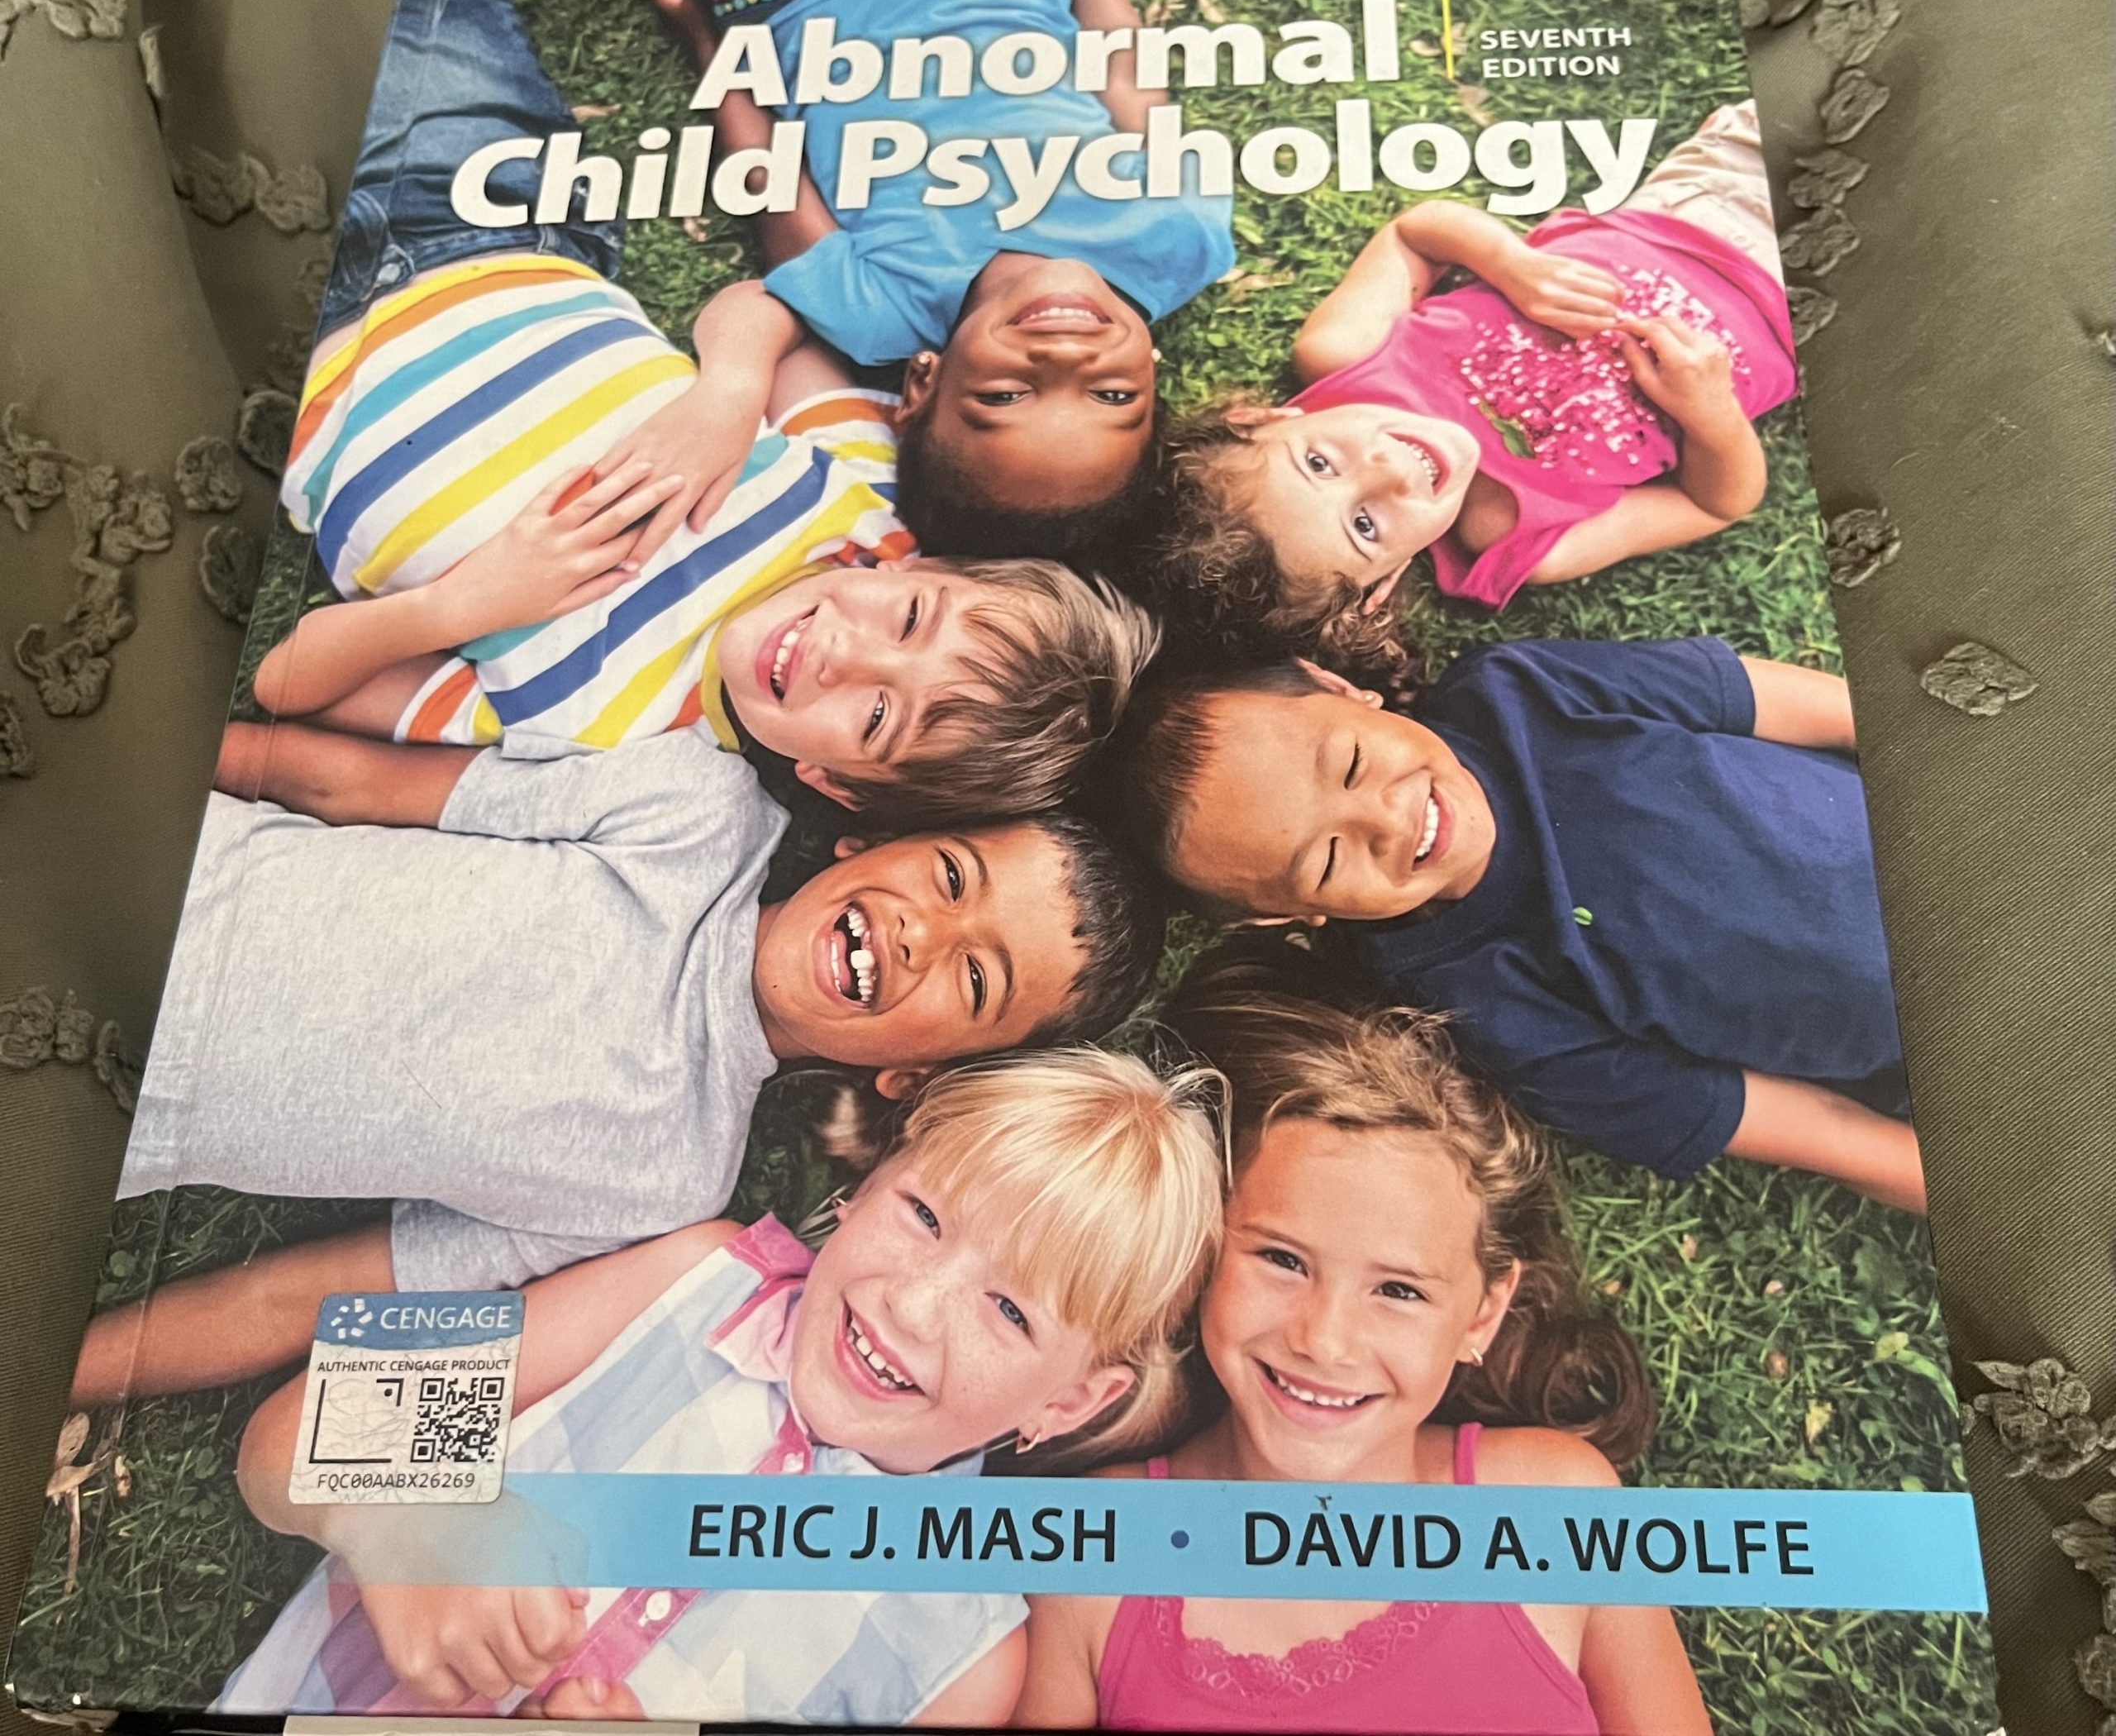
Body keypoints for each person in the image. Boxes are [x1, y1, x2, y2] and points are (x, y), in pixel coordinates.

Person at [276, 0, 1157, 820]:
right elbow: (776, 310)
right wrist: (729, 397)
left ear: (834, 783)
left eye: (877, 716)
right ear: (922, 568)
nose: (843, 654)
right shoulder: (863, 515)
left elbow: (289, 683)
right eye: (911, 619)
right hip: (481, 227)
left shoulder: (605, 735)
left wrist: (456, 608)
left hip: (286, 374)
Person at [172, 1051, 1226, 1723]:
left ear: (1067, 1406)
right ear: (863, 1188)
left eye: (1010, 1312)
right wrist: (398, 1522)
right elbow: (292, 1431)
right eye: (923, 1215)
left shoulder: (964, 1662)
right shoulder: (690, 1279)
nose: (914, 1303)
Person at [105, 718, 1164, 1295]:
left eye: (976, 981)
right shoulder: (696, 811)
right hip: (136, 869)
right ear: (871, 841)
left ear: (915, 1076)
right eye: (949, 875)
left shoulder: (665, 1185)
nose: (921, 935)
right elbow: (345, 782)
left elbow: (314, 1292)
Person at [1016, 972, 1708, 1734]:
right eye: (1282, 1259)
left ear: (1483, 1314)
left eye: (1400, 1291)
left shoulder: (1560, 1505)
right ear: (1205, 1250)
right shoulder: (1088, 1554)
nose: (1324, 1338)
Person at [1100, 637, 1926, 1212]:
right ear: (1294, 914)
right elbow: (1799, 1127)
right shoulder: (1483, 1008)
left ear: (1340, 688)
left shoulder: (1516, 694)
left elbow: (1750, 700)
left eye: (1351, 762)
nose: (1386, 820)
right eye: (1327, 859)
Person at [1136, 103, 1796, 674]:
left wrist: (1513, 265)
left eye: (1320, 463)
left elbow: (1414, 234)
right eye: (1365, 525)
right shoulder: (1524, 543)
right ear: (1379, 590)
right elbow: (1716, 503)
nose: (1391, 470)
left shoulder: (1342, 355)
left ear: (1258, 419)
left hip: (1701, 203)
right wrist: (1711, 412)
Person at [653, 0, 1237, 560]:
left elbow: (771, 175)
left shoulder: (877, 311)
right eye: (1113, 396)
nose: (1067, 355)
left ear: (922, 386)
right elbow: (1126, 78)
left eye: (1005, 395)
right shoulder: (1178, 241)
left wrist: (713, 45)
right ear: (1153, 375)